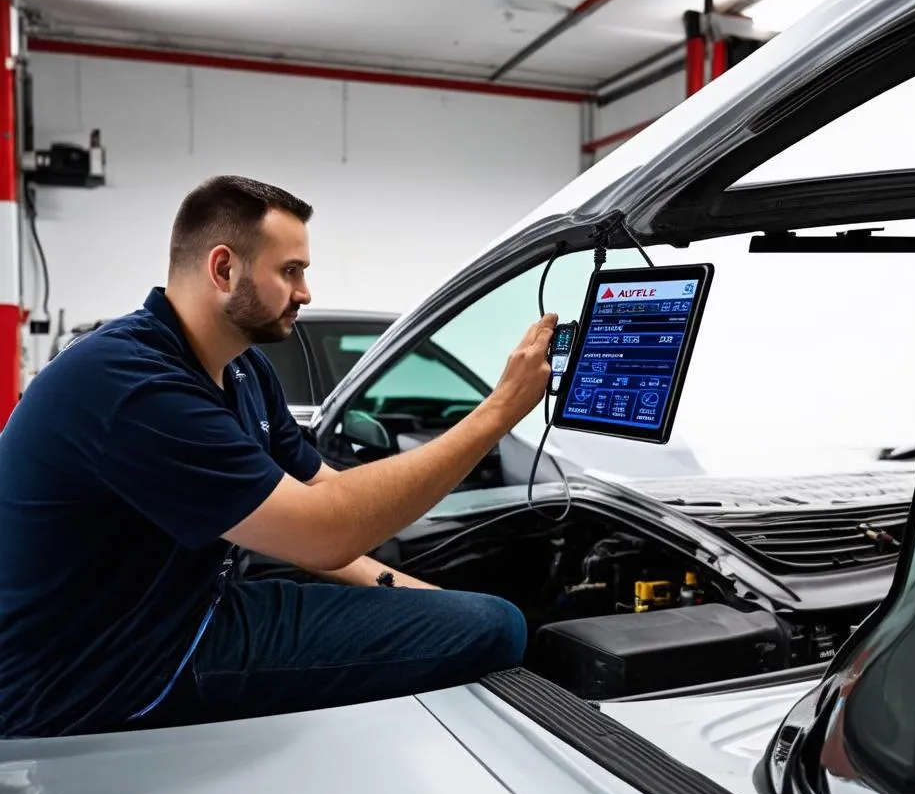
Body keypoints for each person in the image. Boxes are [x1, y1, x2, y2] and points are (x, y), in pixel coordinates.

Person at [0, 175, 557, 738]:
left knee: (473, 615)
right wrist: (500, 410)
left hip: (185, 613)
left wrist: (418, 596)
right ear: (223, 270)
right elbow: (327, 530)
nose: (306, 291)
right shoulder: (132, 386)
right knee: (499, 627)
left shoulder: (244, 369)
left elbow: (321, 499)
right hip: (106, 677)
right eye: (290, 271)